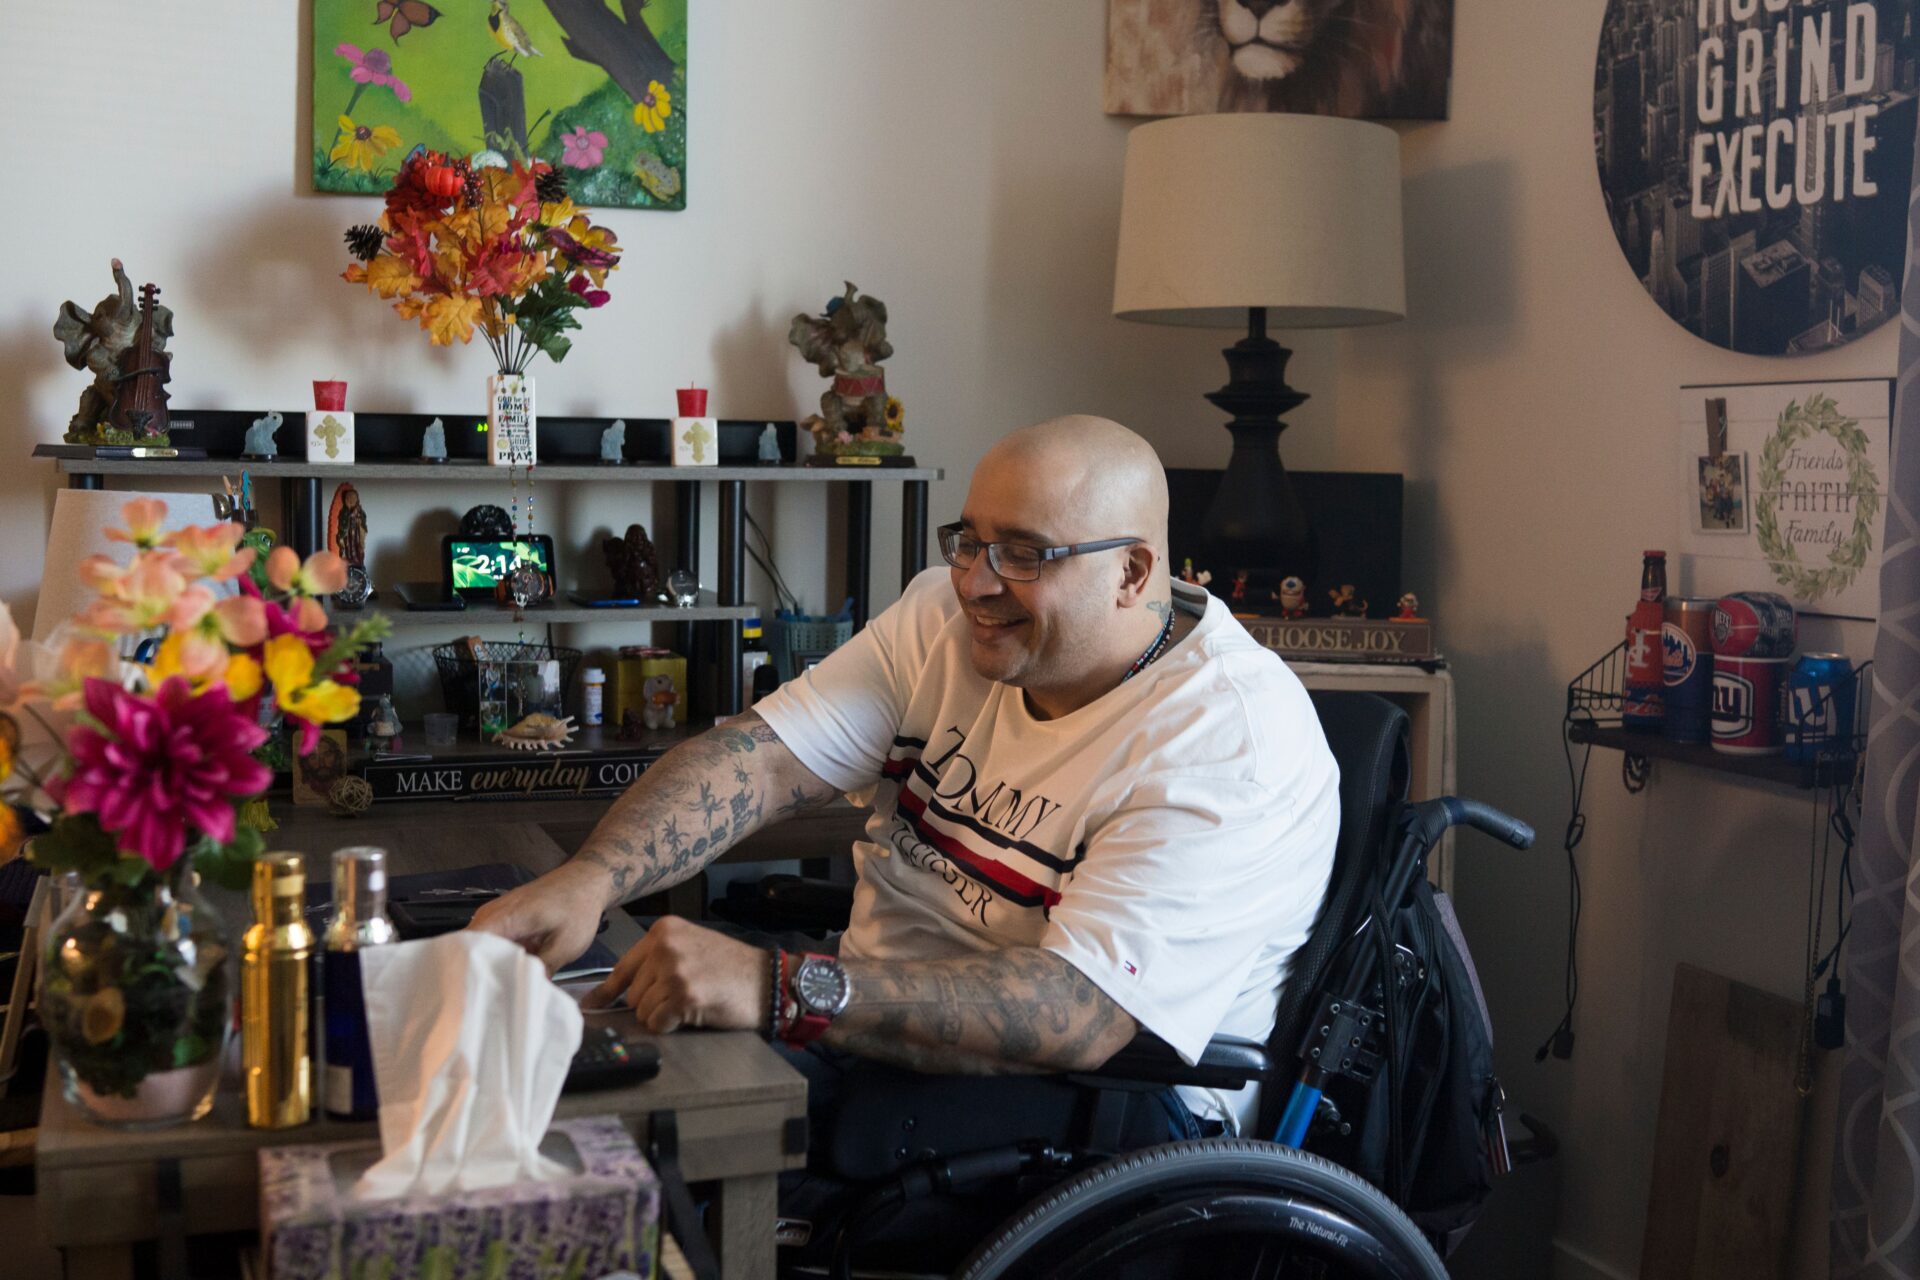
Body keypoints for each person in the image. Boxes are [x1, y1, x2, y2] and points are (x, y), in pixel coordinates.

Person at [471, 414, 1338, 1140]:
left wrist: (776, 989)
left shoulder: (1231, 739)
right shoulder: (945, 617)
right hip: (873, 1034)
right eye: (970, 541)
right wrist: (593, 878)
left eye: (1025, 555)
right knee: (575, 1070)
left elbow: (1074, 1015)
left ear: (1134, 572)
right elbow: (761, 761)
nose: (975, 583)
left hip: (1104, 1112)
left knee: (645, 1134)